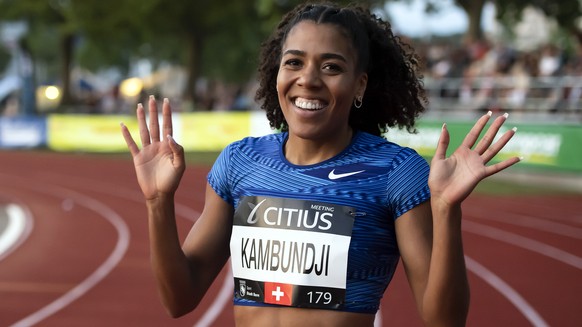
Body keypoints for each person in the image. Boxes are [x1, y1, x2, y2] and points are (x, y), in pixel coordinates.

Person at [120, 2, 520, 326]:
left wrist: (446, 209)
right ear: (276, 72)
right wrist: (158, 202)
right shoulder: (240, 162)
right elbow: (179, 299)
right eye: (294, 62)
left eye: (331, 67)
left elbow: (443, 322)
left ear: (360, 84)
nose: (308, 79)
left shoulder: (395, 173)